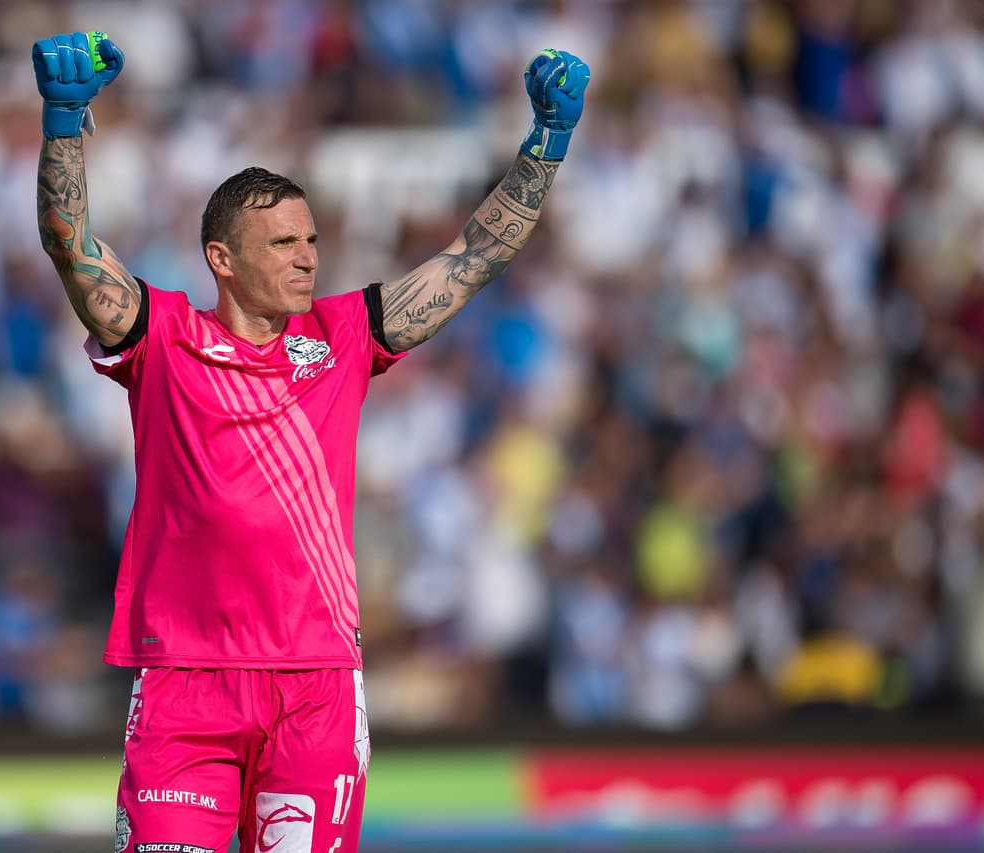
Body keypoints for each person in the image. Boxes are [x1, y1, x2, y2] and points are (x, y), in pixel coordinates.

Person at [31, 30, 589, 853]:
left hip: (316, 683)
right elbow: (70, 247)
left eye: (312, 241)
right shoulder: (164, 338)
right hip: (189, 685)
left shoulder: (345, 336)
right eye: (283, 244)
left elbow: (475, 257)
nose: (307, 259)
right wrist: (64, 120)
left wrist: (545, 145)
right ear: (221, 258)